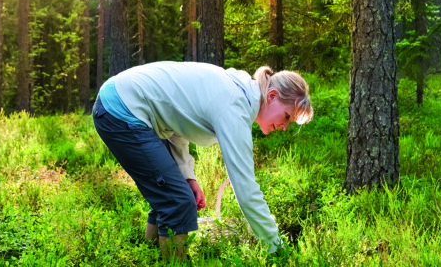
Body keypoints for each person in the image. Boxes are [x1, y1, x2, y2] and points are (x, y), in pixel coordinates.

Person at [91, 61, 313, 259]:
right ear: (272, 96)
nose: (284, 127)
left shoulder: (238, 89)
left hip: (122, 100)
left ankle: (148, 255)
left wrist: (188, 177)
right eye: (286, 116)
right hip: (121, 109)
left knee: (173, 194)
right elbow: (246, 191)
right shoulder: (235, 106)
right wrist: (277, 248)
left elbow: (177, 123)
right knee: (177, 201)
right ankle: (170, 262)